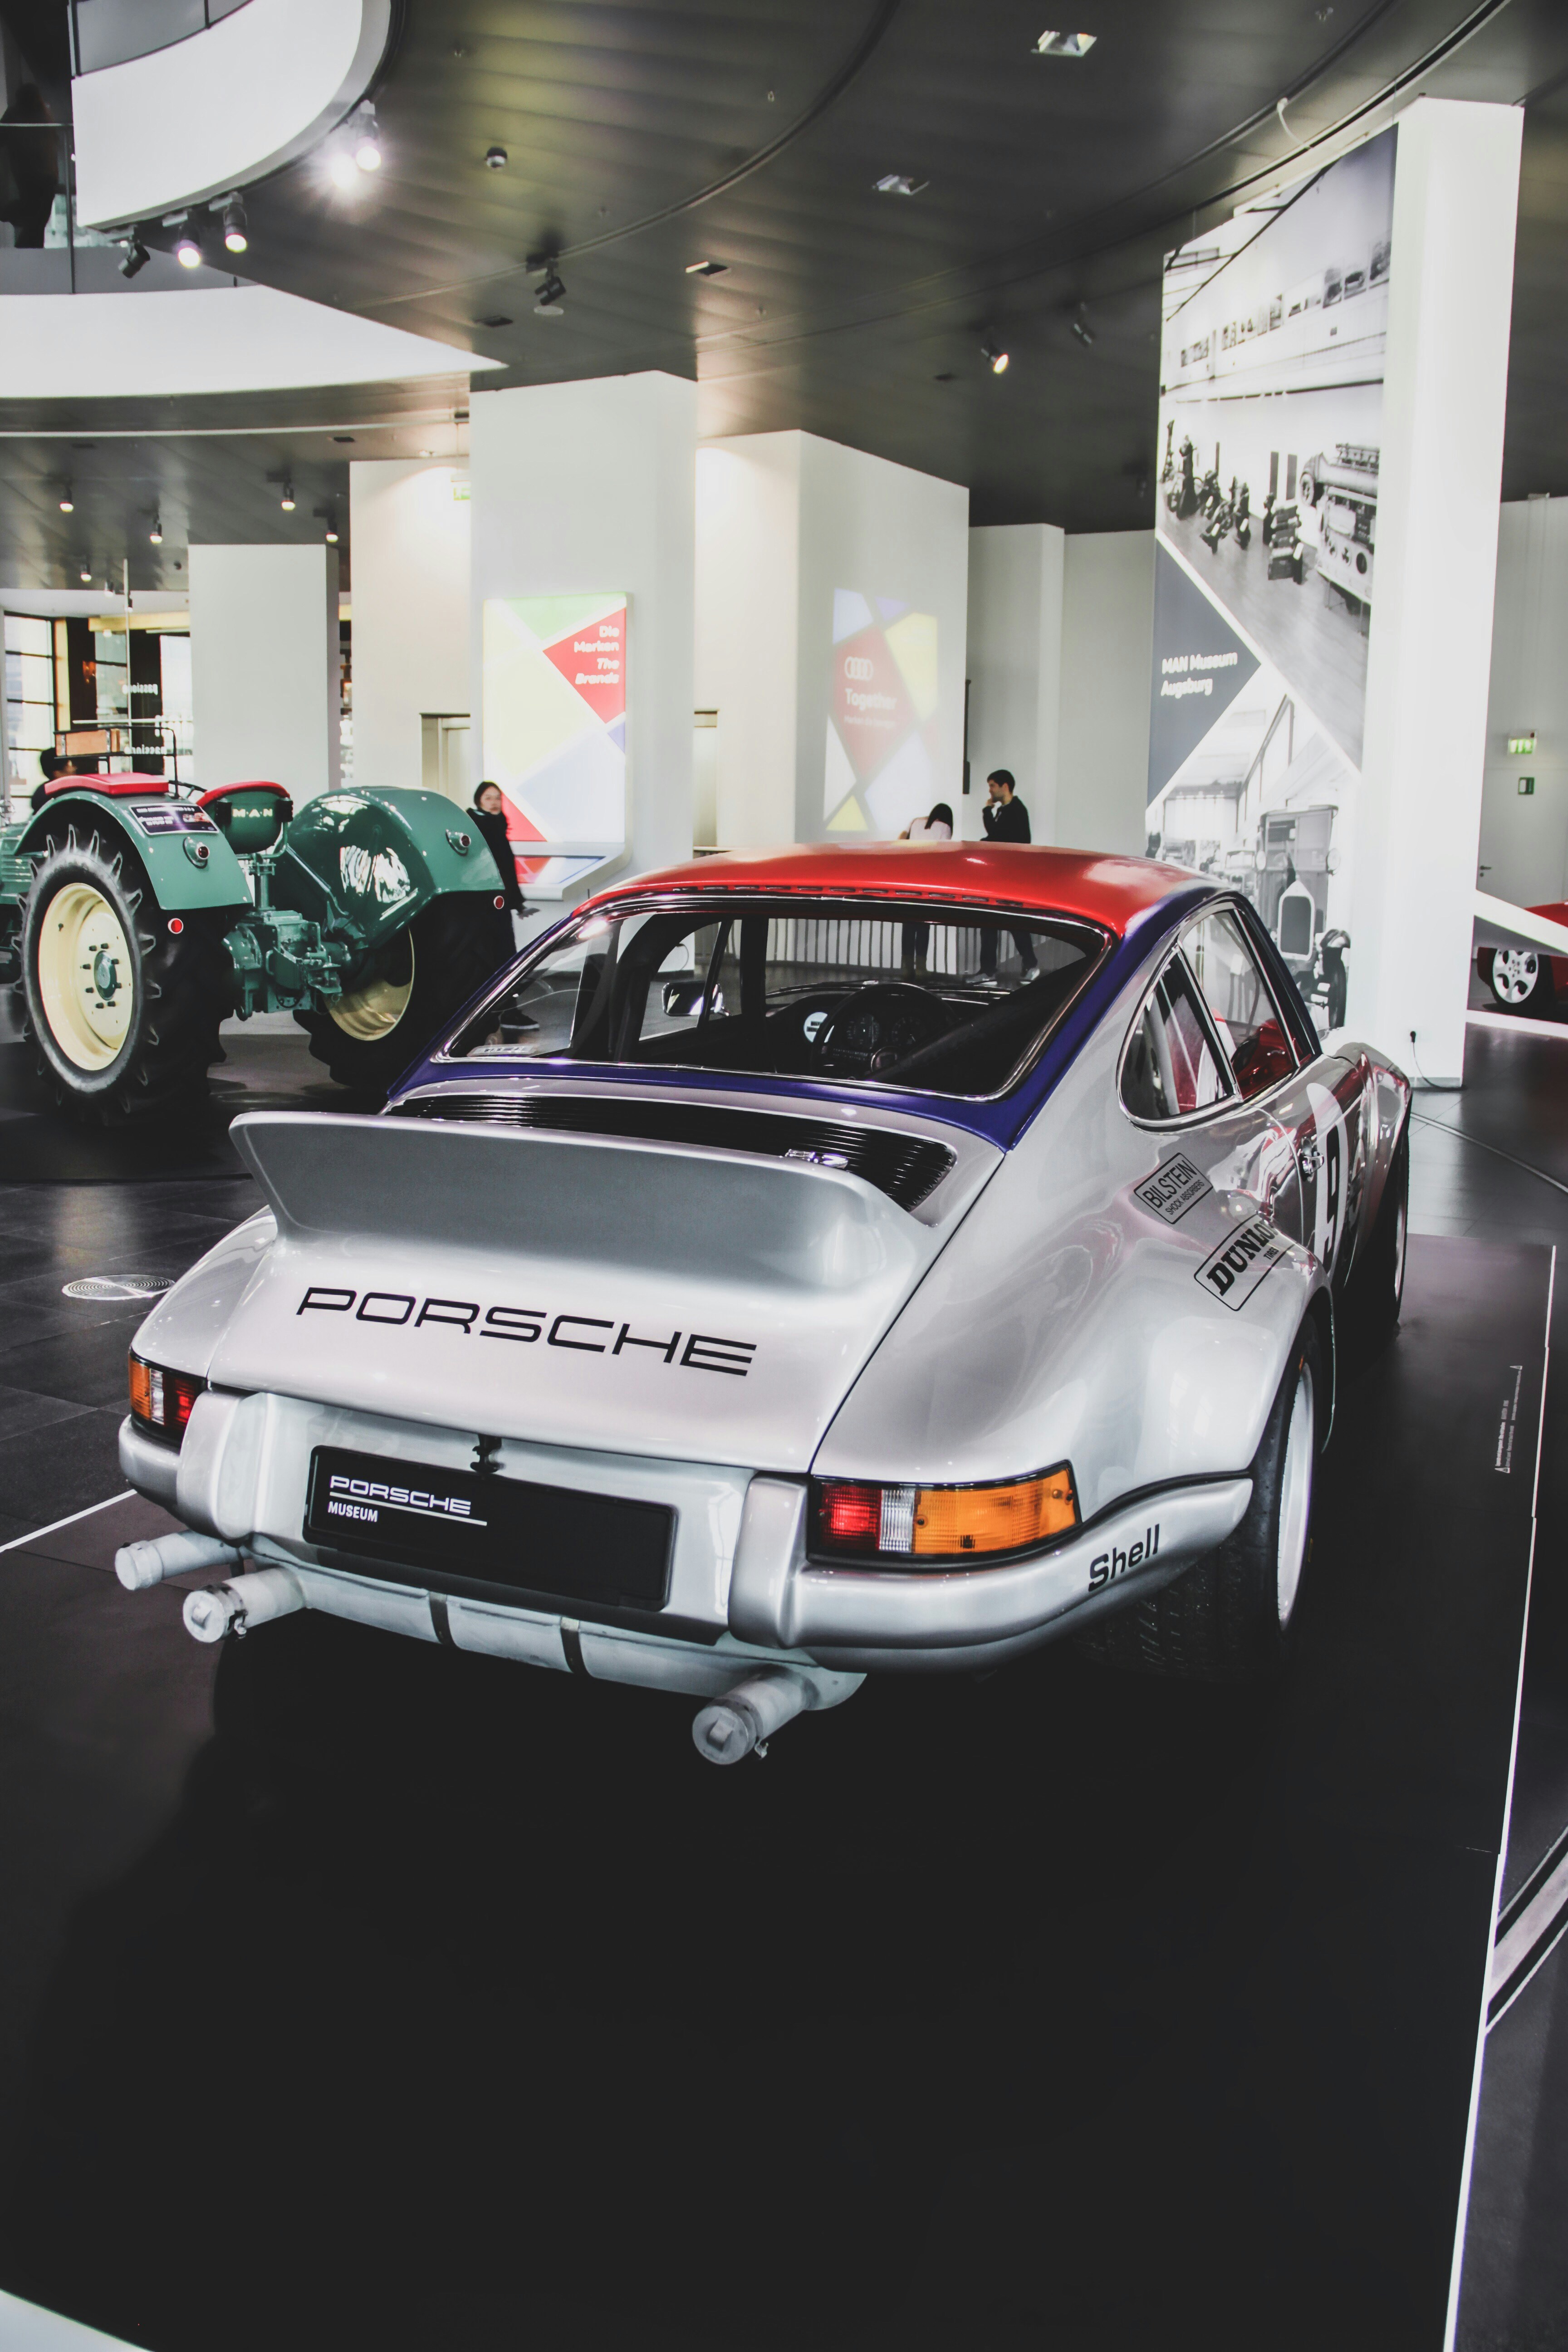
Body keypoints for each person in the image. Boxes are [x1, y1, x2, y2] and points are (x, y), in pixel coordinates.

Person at [979, 770, 1038, 981]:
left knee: (1010, 923)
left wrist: (987, 810)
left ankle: (1027, 964)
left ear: (1005, 786)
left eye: (993, 785)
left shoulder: (1015, 810)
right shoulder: (1007, 810)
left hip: (1009, 877)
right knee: (993, 923)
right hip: (1003, 876)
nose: (990, 790)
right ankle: (990, 970)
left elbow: (998, 836)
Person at [470, 779, 524, 969]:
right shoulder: (478, 825)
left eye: (498, 798)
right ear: (479, 801)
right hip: (485, 898)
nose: (494, 802)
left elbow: (507, 867)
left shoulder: (497, 823)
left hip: (499, 896)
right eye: (488, 798)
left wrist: (516, 901)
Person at [897, 800, 953, 977]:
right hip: (927, 883)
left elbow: (900, 840)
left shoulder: (916, 822)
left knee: (908, 926)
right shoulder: (945, 827)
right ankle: (921, 969)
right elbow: (945, 855)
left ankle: (906, 968)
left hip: (908, 881)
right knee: (923, 927)